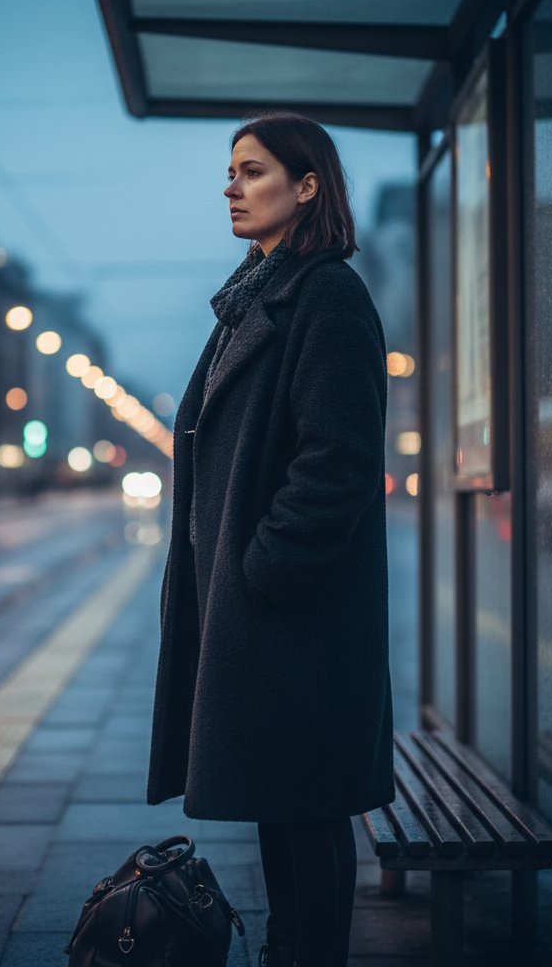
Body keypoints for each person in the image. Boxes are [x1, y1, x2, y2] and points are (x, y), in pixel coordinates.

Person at [147, 111, 395, 967]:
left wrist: (266, 568)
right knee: (282, 809)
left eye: (252, 171)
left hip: (298, 618)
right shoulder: (256, 296)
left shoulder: (327, 296)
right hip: (266, 616)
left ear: (308, 186)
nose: (231, 187)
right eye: (231, 171)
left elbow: (341, 460)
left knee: (308, 815)